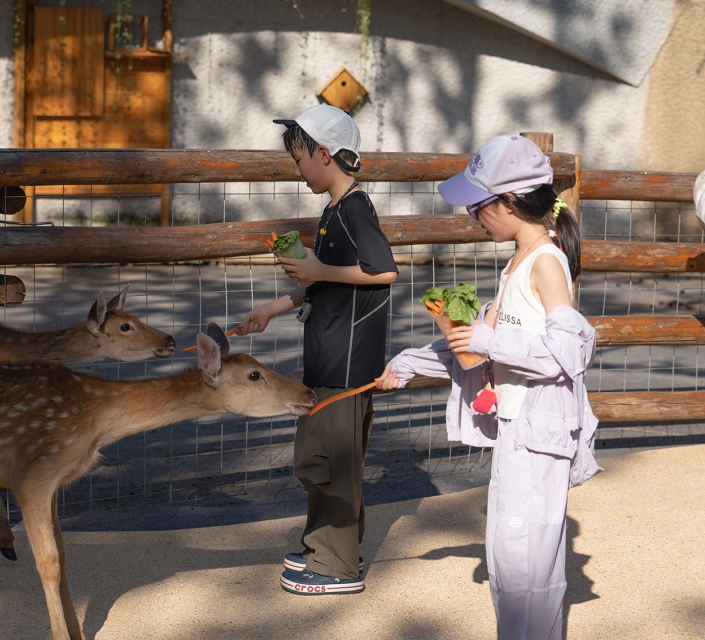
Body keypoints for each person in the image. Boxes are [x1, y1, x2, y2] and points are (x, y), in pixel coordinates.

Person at [376, 134, 601, 638]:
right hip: (517, 429)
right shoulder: (517, 263)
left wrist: (487, 339)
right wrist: (410, 362)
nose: (473, 216)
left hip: (538, 434)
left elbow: (567, 354)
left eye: (478, 205)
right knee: (508, 562)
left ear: (510, 202)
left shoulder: (545, 261)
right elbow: (478, 348)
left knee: (528, 570)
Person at [238, 104, 399, 595]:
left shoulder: (354, 207)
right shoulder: (333, 210)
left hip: (347, 365)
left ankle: (337, 566)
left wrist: (318, 272)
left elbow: (384, 271)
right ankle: (323, 544)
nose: (297, 169)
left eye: (300, 158)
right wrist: (271, 308)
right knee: (320, 458)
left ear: (324, 153)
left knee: (333, 462)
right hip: (327, 358)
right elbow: (318, 282)